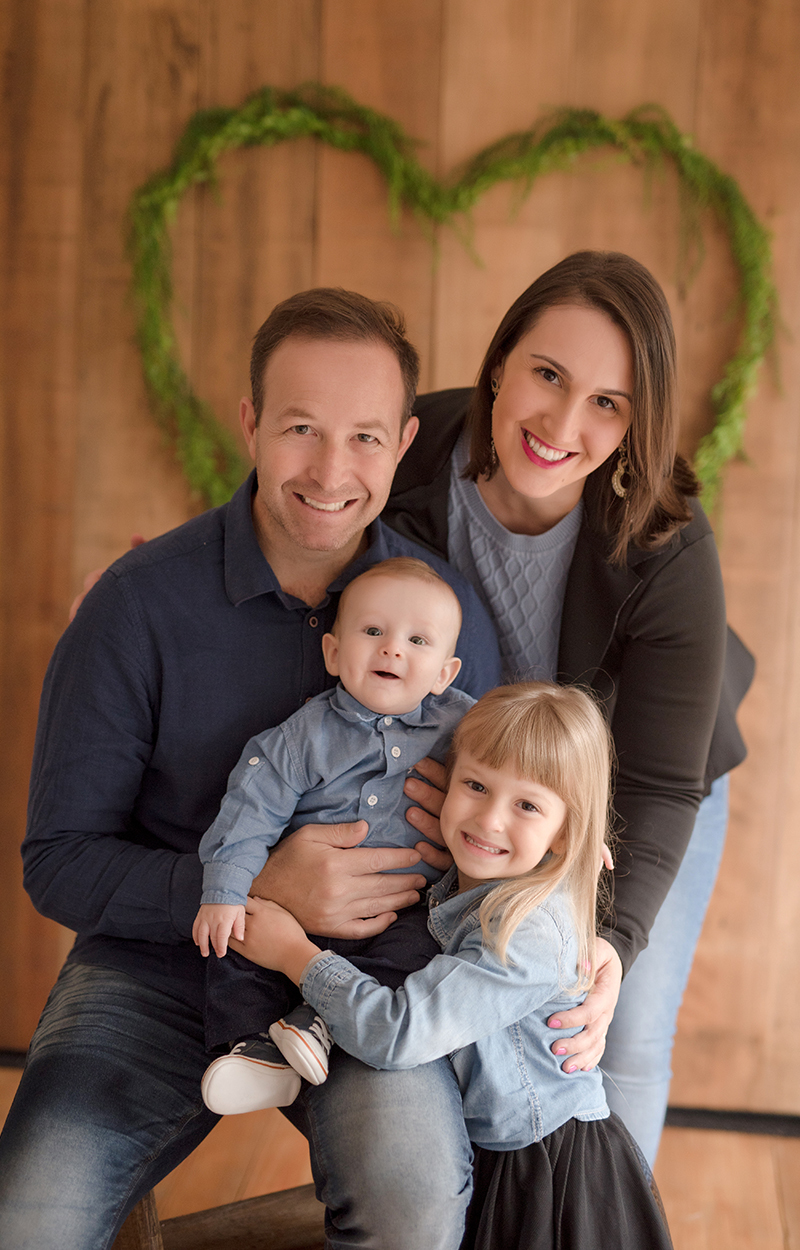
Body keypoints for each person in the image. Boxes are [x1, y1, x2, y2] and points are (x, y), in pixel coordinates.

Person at [0, 289, 502, 1250]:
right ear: (251, 425)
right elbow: (58, 858)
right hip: (153, 970)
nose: (330, 469)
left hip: (361, 978)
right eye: (301, 428)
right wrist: (257, 889)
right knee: (27, 1221)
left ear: (401, 444)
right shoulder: (137, 607)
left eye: (362, 437)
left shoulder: (444, 618)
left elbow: (512, 804)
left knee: (411, 1196)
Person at [384, 250, 755, 1166]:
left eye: (607, 403)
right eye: (548, 374)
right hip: (485, 782)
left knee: (603, 1032)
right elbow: (298, 513)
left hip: (639, 790)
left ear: (637, 422)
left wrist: (612, 941)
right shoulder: (410, 445)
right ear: (501, 358)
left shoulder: (668, 541)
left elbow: (664, 782)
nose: (560, 423)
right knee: (462, 1008)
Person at [232, 682, 674, 1250]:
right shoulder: (465, 885)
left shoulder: (527, 934)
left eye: (527, 805)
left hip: (543, 1176)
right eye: (475, 785)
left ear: (565, 831)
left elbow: (400, 1031)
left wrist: (295, 953)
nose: (489, 820)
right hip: (495, 1148)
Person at [193, 557, 472, 1112]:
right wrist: (223, 890)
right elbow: (249, 810)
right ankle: (253, 1051)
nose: (393, 648)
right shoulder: (303, 737)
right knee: (237, 940)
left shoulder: (468, 726)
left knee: (428, 949)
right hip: (298, 913)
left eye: (418, 640)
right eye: (373, 631)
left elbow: (526, 767)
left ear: (445, 672)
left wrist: (567, 827)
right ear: (334, 652)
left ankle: (317, 1022)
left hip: (405, 913)